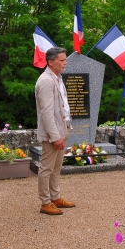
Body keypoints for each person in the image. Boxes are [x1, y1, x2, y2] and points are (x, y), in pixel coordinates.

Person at [35, 47, 76, 215]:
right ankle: (45, 202)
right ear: (50, 62)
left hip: (62, 130)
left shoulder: (57, 79)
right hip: (53, 134)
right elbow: (46, 112)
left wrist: (64, 131)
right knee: (46, 168)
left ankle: (55, 197)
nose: (65, 62)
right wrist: (55, 136)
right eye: (62, 60)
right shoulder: (46, 81)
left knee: (56, 168)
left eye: (65, 59)